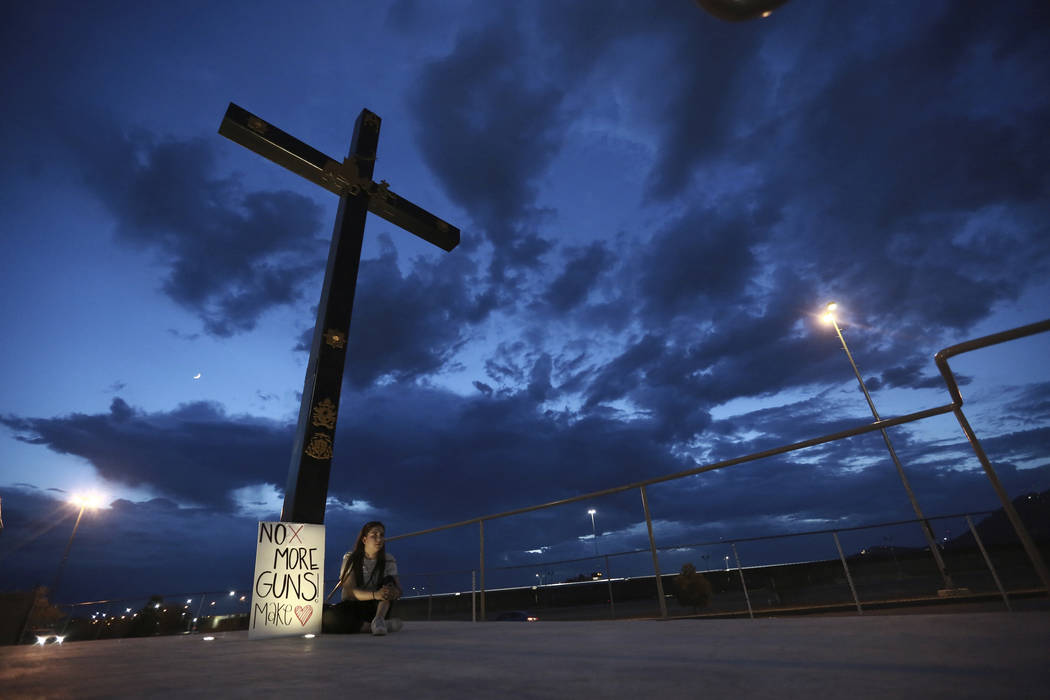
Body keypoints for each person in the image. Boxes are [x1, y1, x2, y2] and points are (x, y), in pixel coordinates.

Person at [323, 521, 403, 635]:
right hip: (354, 606)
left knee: (389, 581)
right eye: (374, 535)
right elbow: (350, 592)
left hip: (377, 607)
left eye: (381, 535)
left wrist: (394, 592)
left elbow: (399, 589)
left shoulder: (388, 559)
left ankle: (379, 619)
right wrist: (376, 594)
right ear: (364, 540)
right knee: (325, 616)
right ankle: (375, 626)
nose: (379, 539)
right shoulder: (351, 558)